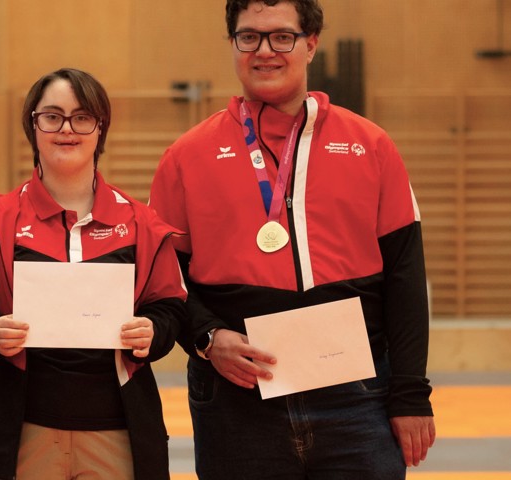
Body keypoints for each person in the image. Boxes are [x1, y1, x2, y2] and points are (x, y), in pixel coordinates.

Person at [148, 1, 436, 478]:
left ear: (311, 44)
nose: (265, 51)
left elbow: (406, 275)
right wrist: (206, 337)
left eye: (281, 36)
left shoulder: (372, 146)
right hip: (235, 401)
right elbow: (164, 280)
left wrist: (410, 393)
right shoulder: (185, 157)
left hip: (357, 398)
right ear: (233, 45)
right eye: (249, 37)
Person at [0, 68, 188, 480]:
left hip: (116, 434)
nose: (67, 129)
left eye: (82, 117)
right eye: (52, 116)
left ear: (101, 128)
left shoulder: (143, 224)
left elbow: (170, 308)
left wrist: (152, 331)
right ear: (33, 124)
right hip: (18, 432)